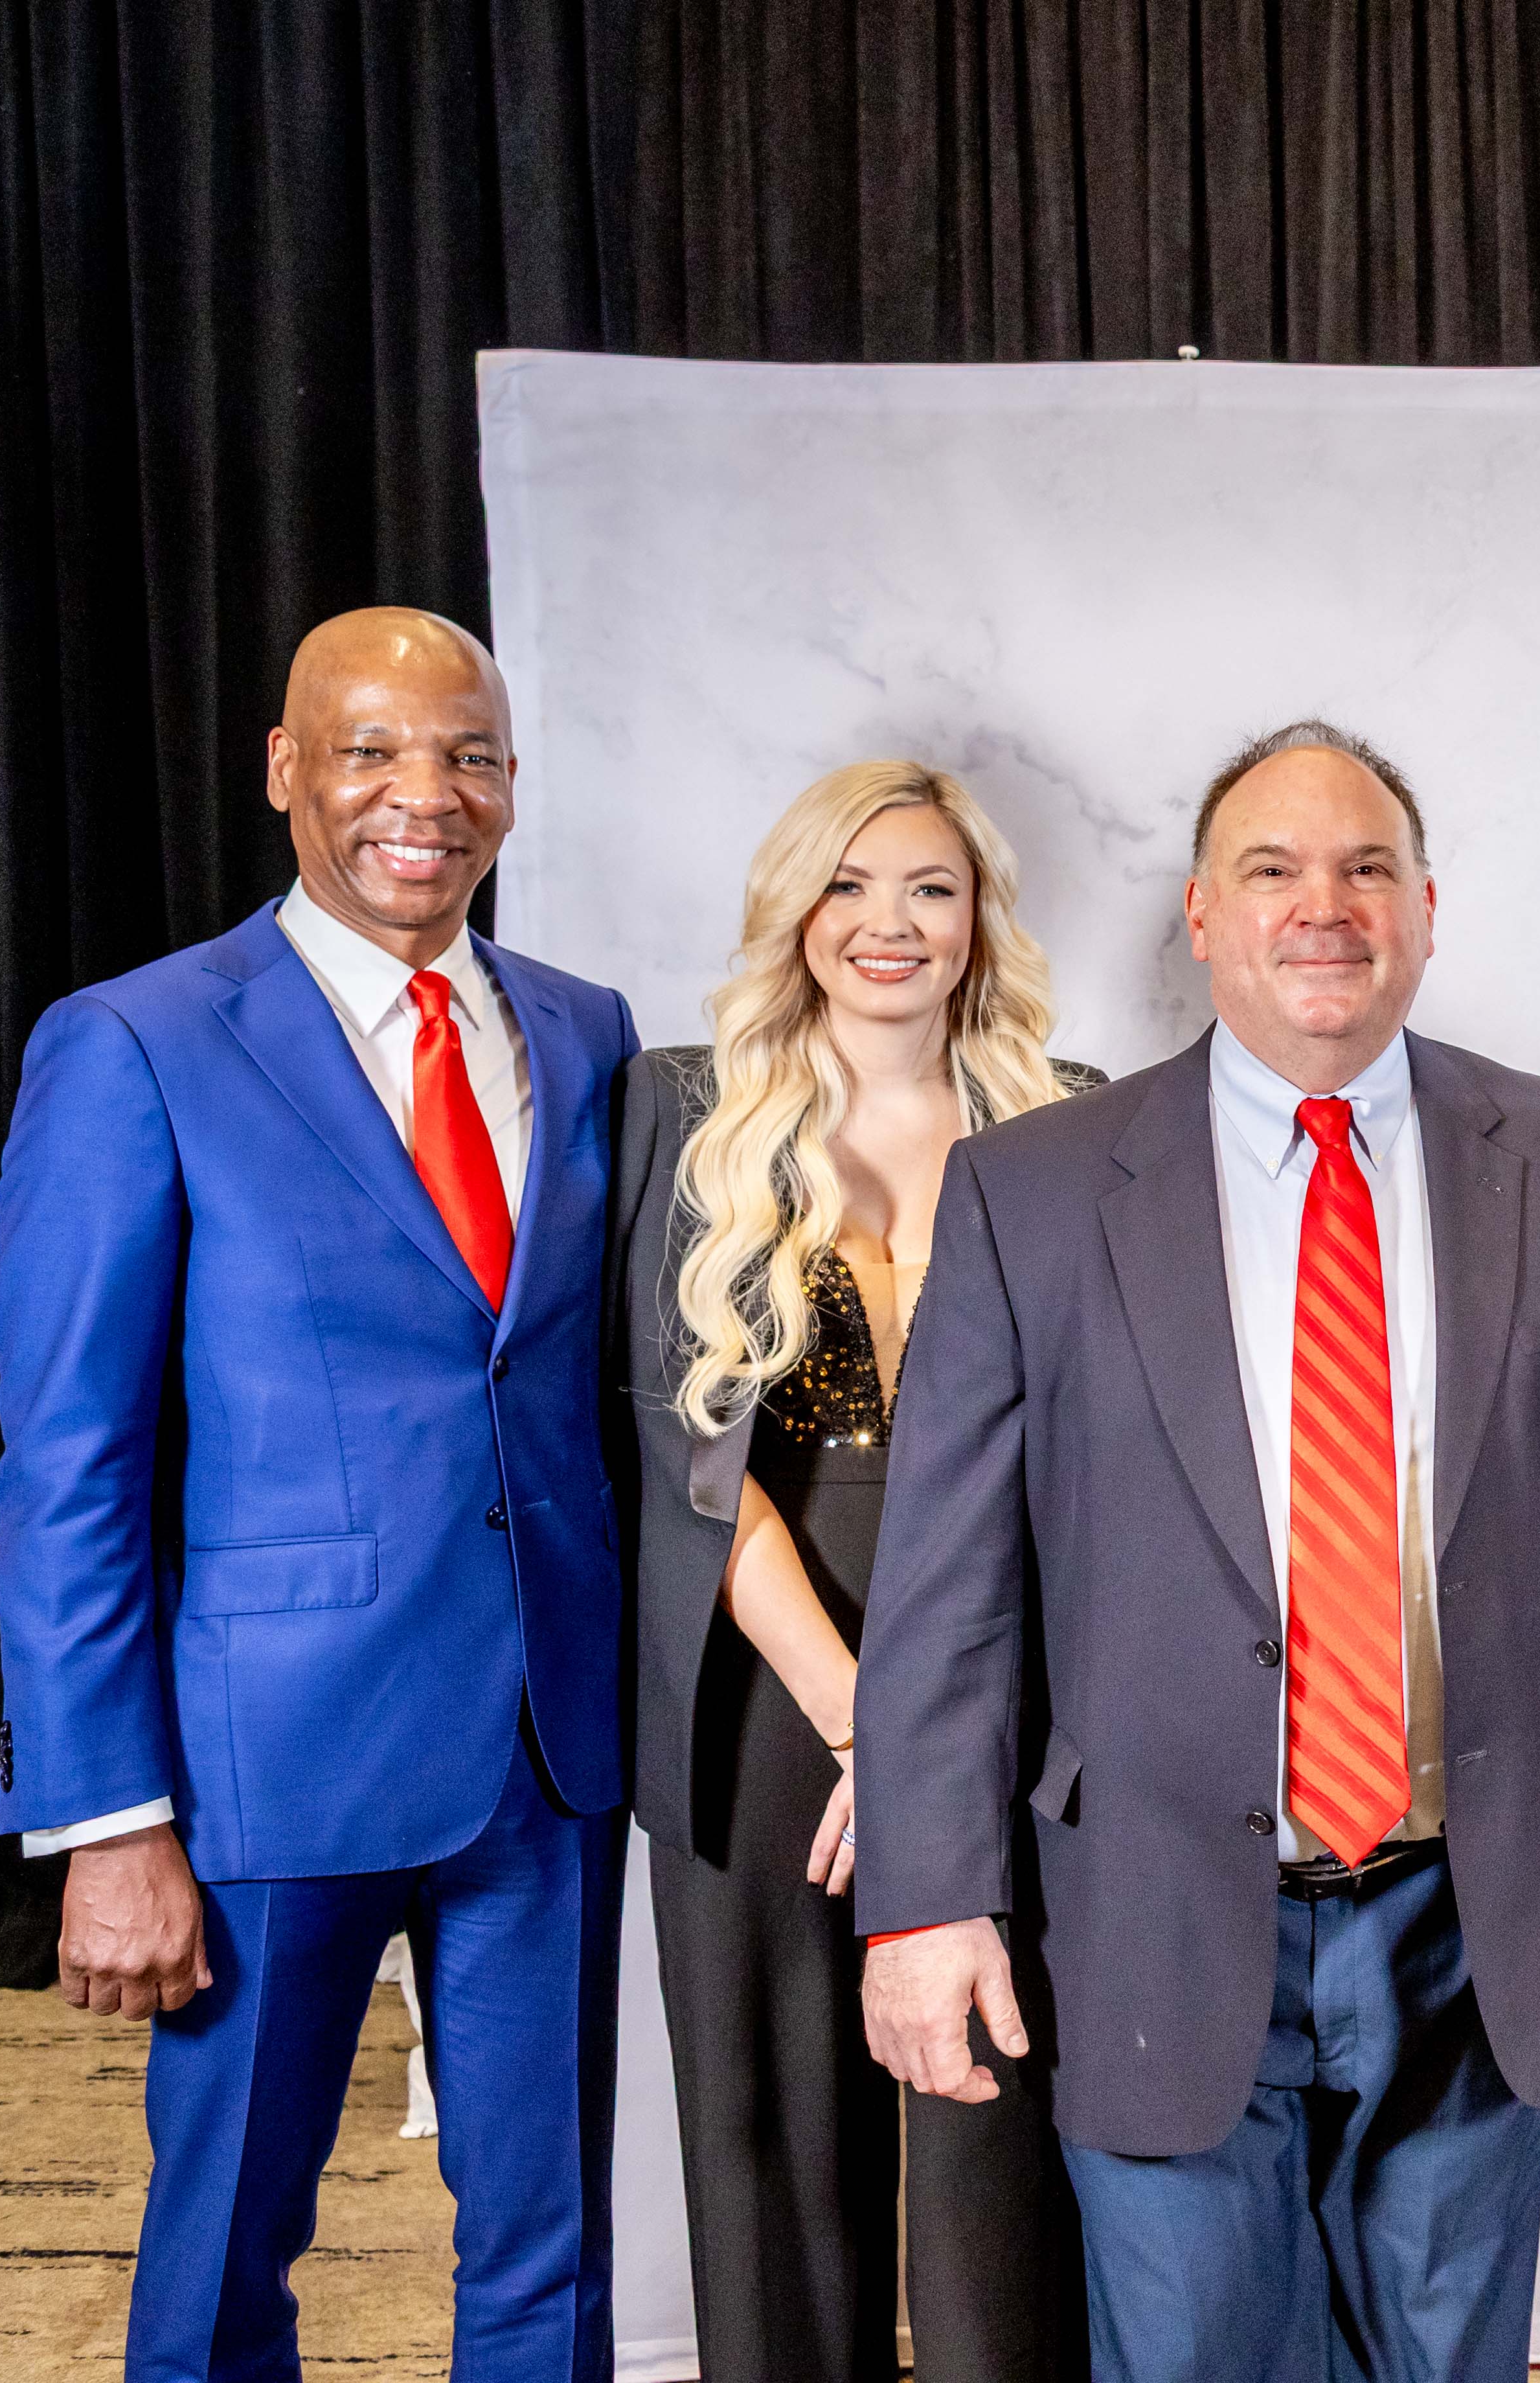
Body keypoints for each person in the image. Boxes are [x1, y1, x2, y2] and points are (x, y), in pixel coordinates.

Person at [849, 721, 1540, 2383]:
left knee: (1448, 2362)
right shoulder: (1031, 1189)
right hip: (1153, 1903)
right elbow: (945, 1589)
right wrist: (923, 1903)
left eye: (1369, 868)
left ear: (1428, 908)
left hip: (1472, 1906)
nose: (1326, 906)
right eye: (1274, 869)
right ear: (1201, 913)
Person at [0, 608, 638, 2380]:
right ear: (286, 771)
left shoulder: (587, 1031)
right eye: (371, 751)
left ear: (513, 784)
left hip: (548, 1755)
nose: (425, 794)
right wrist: (108, 1817)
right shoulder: (136, 1043)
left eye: (469, 755)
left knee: (554, 2256)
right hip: (262, 1767)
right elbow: (68, 1466)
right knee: (225, 2255)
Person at [612, 762, 1099, 2382]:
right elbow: (687, 1463)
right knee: (771, 2150)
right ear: (795, 909)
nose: (890, 923)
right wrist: (859, 1723)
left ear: (979, 920)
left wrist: (935, 1738)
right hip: (764, 1693)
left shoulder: (1070, 1111)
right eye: (850, 884)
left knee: (995, 2136)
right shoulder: (684, 1109)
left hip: (1010, 1677)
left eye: (931, 889)